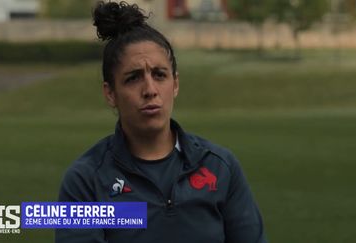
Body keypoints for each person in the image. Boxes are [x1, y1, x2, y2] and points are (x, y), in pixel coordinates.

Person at [55, 1, 267, 242]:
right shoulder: (86, 180)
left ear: (175, 84)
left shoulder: (220, 167)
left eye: (159, 75)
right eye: (133, 78)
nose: (150, 90)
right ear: (110, 93)